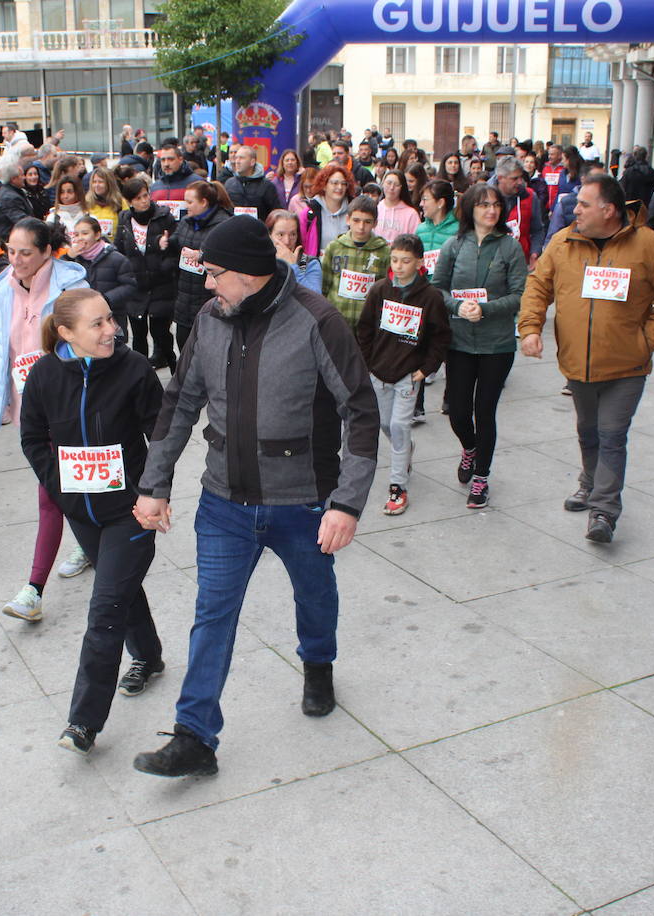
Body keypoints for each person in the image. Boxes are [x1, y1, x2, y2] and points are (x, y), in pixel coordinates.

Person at [129, 215, 380, 778]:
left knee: (315, 597)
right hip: (224, 503)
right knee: (211, 614)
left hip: (305, 503)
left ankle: (318, 664)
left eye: (215, 274)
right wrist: (154, 484)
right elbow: (180, 403)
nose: (209, 285)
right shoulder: (209, 318)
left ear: (248, 273)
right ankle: (195, 736)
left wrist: (346, 502)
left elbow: (361, 411)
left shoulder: (318, 321)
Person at [19, 289, 166, 755]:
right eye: (97, 324)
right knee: (117, 589)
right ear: (66, 334)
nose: (111, 330)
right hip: (80, 511)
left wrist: (151, 493)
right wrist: (60, 487)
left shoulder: (135, 369)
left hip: (130, 512)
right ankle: (149, 656)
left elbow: (161, 437)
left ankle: (83, 721)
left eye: (110, 320)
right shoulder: (43, 375)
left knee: (104, 609)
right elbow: (32, 438)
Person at [518, 174, 654, 543]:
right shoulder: (563, 243)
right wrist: (530, 328)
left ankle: (604, 511)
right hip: (577, 363)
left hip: (628, 366)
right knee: (587, 430)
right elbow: (538, 286)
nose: (574, 209)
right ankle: (589, 482)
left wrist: (648, 339)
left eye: (583, 204)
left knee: (611, 434)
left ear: (608, 210)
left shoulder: (651, 245)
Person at [0, 217, 91, 617]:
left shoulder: (72, 289)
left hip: (70, 409)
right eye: (11, 250)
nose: (15, 260)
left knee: (51, 495)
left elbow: (96, 345)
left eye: (25, 253)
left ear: (47, 252)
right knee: (65, 488)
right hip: (29, 412)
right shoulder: (1, 289)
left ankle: (33, 590)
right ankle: (91, 544)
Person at [430, 181, 527, 508]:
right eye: (484, 204)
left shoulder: (510, 247)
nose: (491, 210)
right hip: (458, 342)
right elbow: (437, 288)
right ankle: (469, 449)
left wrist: (485, 309)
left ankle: (482, 476)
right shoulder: (454, 245)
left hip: (496, 344)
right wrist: (458, 307)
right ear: (470, 208)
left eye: (496, 205)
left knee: (485, 411)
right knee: (458, 411)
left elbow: (518, 296)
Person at [355, 233, 451, 516]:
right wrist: (368, 363)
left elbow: (441, 337)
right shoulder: (379, 290)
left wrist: (425, 369)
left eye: (406, 261)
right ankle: (405, 452)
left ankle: (398, 487)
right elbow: (365, 330)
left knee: (399, 426)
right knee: (386, 424)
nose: (398, 266)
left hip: (408, 377)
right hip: (378, 372)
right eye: (394, 259)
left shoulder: (430, 297)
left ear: (419, 262)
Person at [160, 180, 232, 350]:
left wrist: (201, 256)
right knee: (185, 350)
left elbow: (229, 257)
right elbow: (177, 241)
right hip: (185, 298)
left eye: (190, 202)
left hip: (210, 298)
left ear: (204, 202)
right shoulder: (186, 221)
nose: (187, 205)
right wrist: (166, 242)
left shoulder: (224, 224)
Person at [114, 176, 178, 368]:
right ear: (129, 201)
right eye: (138, 198)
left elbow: (176, 248)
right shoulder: (124, 219)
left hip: (161, 286)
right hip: (136, 286)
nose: (144, 201)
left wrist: (164, 258)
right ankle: (141, 379)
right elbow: (119, 249)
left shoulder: (163, 217)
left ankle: (176, 375)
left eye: (145, 195)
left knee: (162, 336)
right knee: (138, 338)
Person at [321, 195, 390, 329]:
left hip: (367, 323)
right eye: (356, 220)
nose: (361, 227)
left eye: (367, 222)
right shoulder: (334, 247)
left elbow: (386, 291)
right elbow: (324, 285)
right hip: (337, 321)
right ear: (348, 219)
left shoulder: (384, 252)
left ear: (375, 223)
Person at [69, 214, 136, 341]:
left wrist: (105, 299)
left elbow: (129, 286)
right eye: (76, 235)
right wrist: (68, 257)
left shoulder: (116, 258)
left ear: (97, 235)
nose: (80, 238)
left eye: (84, 233)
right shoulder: (74, 261)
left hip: (112, 317)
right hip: (83, 319)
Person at [294, 163, 355, 256]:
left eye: (343, 184)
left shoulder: (354, 212)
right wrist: (305, 268)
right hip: (317, 267)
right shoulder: (309, 214)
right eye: (335, 183)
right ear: (324, 185)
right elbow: (303, 247)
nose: (339, 187)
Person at [268, 209, 321, 293]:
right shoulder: (261, 261)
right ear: (269, 235)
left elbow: (316, 297)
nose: (287, 241)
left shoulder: (310, 263)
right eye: (281, 235)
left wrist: (293, 267)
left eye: (292, 234)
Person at [224, 144, 283, 219]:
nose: (237, 161)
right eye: (236, 158)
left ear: (252, 162)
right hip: (234, 229)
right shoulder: (229, 184)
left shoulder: (267, 186)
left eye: (241, 158)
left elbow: (275, 213)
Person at [416, 179, 459, 274]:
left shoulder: (458, 231)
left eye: (425, 199)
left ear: (440, 203)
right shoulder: (420, 230)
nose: (421, 204)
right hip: (423, 286)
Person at [0, 160, 35, 242]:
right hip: (10, 241)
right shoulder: (9, 198)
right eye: (22, 175)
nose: (24, 177)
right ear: (13, 179)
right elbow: (22, 221)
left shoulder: (12, 192)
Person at [376, 170, 420, 242]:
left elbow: (415, 241)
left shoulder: (411, 214)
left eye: (396, 185)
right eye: (388, 183)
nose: (391, 188)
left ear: (402, 188)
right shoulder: (376, 208)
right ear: (383, 184)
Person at [618, 145, 654, 210]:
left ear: (635, 156)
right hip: (646, 207)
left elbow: (622, 188)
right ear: (646, 156)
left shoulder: (629, 172)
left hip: (630, 207)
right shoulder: (653, 173)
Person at [85, 166, 125, 236]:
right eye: (94, 182)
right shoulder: (87, 202)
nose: (97, 185)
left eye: (100, 182)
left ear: (109, 183)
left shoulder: (120, 202)